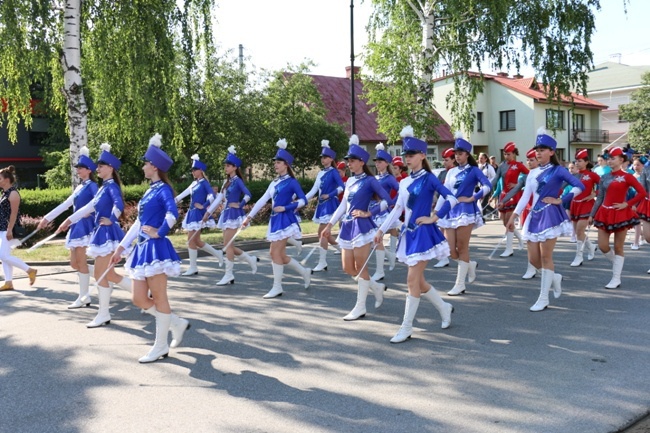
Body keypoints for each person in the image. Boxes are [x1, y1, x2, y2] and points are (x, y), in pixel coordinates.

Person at [110, 133, 190, 363]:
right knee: (138, 298)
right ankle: (175, 322)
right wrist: (122, 247)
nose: (143, 166)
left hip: (156, 248)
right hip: (142, 248)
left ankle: (160, 346)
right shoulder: (150, 190)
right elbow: (139, 223)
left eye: (145, 163)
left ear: (154, 167)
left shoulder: (163, 189)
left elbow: (172, 213)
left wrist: (160, 232)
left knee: (160, 298)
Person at [374, 128, 458, 343]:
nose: (407, 159)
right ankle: (444, 307)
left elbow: (451, 199)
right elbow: (396, 210)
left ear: (422, 155)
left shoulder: (430, 179)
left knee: (411, 279)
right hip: (408, 235)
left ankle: (406, 326)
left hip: (424, 234)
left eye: (411, 155)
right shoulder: (403, 182)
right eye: (406, 156)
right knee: (418, 281)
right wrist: (382, 229)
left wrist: (435, 217)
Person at [507, 128, 584, 311]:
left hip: (551, 215)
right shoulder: (532, 173)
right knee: (533, 260)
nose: (538, 153)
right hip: (534, 216)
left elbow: (579, 185)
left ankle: (543, 298)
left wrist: (561, 199)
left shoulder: (559, 170)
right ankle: (554, 277)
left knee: (545, 256)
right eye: (537, 150)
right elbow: (526, 196)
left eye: (542, 150)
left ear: (551, 152)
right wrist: (514, 216)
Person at [59, 143, 132, 327]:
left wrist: (112, 219)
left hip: (108, 232)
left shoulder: (112, 186)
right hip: (101, 233)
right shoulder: (102, 187)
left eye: (100, 166)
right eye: (97, 166)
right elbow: (87, 207)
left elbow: (119, 204)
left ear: (110, 168)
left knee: (102, 274)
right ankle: (141, 292)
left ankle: (104, 313)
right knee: (108, 274)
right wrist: (69, 220)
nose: (97, 168)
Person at [320, 134, 392, 321]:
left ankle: (360, 307)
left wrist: (370, 212)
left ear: (361, 162)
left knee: (361, 268)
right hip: (347, 227)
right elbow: (343, 206)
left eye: (352, 161)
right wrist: (329, 225)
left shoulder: (370, 180)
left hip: (362, 226)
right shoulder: (350, 181)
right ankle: (376, 287)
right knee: (347, 268)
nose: (349, 164)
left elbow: (388, 200)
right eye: (348, 161)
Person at [241, 139, 312, 299]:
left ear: (286, 164)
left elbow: (303, 200)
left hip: (286, 220)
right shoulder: (274, 182)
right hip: (275, 220)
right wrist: (249, 217)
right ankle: (304, 271)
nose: (276, 165)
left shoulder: (292, 182)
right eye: (275, 162)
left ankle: (277, 286)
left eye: (279, 162)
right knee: (279, 255)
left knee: (274, 252)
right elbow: (262, 200)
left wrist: (287, 207)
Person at [37, 147, 98, 307]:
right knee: (74, 264)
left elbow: (99, 203)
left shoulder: (92, 186)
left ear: (89, 170)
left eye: (81, 168)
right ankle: (106, 277)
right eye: (77, 167)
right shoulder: (79, 187)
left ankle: (84, 297)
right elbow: (65, 205)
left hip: (86, 225)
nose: (78, 170)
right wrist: (47, 218)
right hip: (76, 225)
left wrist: (89, 214)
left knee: (81, 261)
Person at [436, 132, 492, 296]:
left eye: (460, 154)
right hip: (450, 212)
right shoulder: (451, 172)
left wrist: (472, 198)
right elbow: (443, 193)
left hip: (466, 211)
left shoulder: (474, 170)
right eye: (456, 154)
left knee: (462, 247)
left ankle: (460, 284)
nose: (457, 156)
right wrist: (437, 214)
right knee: (450, 250)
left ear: (467, 154)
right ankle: (470, 264)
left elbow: (487, 186)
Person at [589, 147, 646, 289]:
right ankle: (617, 264)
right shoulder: (604, 177)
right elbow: (600, 197)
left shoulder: (627, 176)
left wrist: (627, 204)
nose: (610, 160)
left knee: (618, 246)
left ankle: (616, 278)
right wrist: (592, 214)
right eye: (608, 158)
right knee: (602, 246)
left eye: (613, 158)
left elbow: (641, 192)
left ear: (621, 160)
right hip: (604, 213)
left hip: (621, 213)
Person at [202, 145, 257, 286]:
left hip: (234, 214)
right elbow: (219, 199)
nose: (225, 168)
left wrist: (239, 204)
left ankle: (229, 274)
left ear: (234, 167)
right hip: (225, 214)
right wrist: (207, 213)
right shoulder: (226, 182)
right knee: (228, 245)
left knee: (227, 246)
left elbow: (248, 194)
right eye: (225, 166)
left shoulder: (238, 180)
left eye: (228, 166)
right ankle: (249, 260)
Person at [174, 154, 223, 276]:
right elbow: (181, 196)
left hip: (198, 214)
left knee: (191, 240)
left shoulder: (204, 183)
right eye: (192, 170)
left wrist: (204, 205)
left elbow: (212, 196)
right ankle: (218, 254)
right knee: (196, 241)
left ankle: (193, 267)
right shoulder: (193, 184)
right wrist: (168, 202)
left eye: (194, 170)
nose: (193, 172)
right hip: (191, 213)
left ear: (200, 170)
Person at [304, 140, 344, 272]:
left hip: (330, 205)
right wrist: (301, 200)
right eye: (322, 157)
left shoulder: (334, 172)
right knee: (325, 235)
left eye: (325, 157)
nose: (323, 159)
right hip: (321, 206)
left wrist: (330, 194)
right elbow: (313, 190)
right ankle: (344, 251)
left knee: (321, 233)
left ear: (331, 159)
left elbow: (341, 187)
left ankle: (322, 262)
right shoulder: (320, 173)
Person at [0, 166, 38, 291]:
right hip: (3, 227)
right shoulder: (4, 193)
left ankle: (30, 270)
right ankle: (8, 282)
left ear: (6, 179)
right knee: (5, 255)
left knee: (3, 255)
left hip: (8, 228)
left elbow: (14, 214)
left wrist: (10, 229)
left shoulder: (13, 193)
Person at [492, 142, 529, 257]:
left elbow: (530, 177)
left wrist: (519, 185)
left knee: (509, 220)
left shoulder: (518, 165)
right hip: (503, 195)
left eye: (508, 154)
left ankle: (509, 249)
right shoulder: (502, 166)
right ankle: (520, 239)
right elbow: (495, 179)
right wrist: (487, 188)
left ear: (513, 154)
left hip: (514, 196)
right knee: (504, 221)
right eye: (504, 154)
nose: (506, 156)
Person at [369, 143, 399, 281]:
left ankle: (380, 271)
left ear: (387, 163)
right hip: (373, 211)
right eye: (376, 162)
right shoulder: (375, 178)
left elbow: (400, 192)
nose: (377, 164)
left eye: (380, 162)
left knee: (376, 240)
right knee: (373, 240)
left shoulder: (390, 178)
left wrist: (391, 202)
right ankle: (390, 256)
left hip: (383, 212)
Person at [568, 149, 600, 267]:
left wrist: (594, 194)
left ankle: (579, 256)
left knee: (579, 231)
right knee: (578, 233)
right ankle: (591, 247)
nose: (577, 163)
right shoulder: (573, 175)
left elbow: (603, 186)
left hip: (586, 205)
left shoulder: (592, 175)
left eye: (580, 161)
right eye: (576, 161)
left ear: (586, 162)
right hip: (575, 204)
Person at [433, 147, 457, 268]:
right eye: (444, 160)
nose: (444, 162)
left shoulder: (455, 172)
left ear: (453, 160)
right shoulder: (443, 173)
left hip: (452, 207)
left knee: (447, 235)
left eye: (447, 160)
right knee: (441, 232)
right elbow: (437, 189)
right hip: (442, 205)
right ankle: (444, 257)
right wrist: (435, 200)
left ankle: (464, 262)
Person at [630, 156, 645, 250]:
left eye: (638, 165)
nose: (636, 166)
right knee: (634, 222)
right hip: (632, 201)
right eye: (634, 164)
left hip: (641, 201)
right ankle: (641, 236)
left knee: (637, 222)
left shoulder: (645, 176)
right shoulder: (632, 176)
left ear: (643, 165)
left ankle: (636, 243)